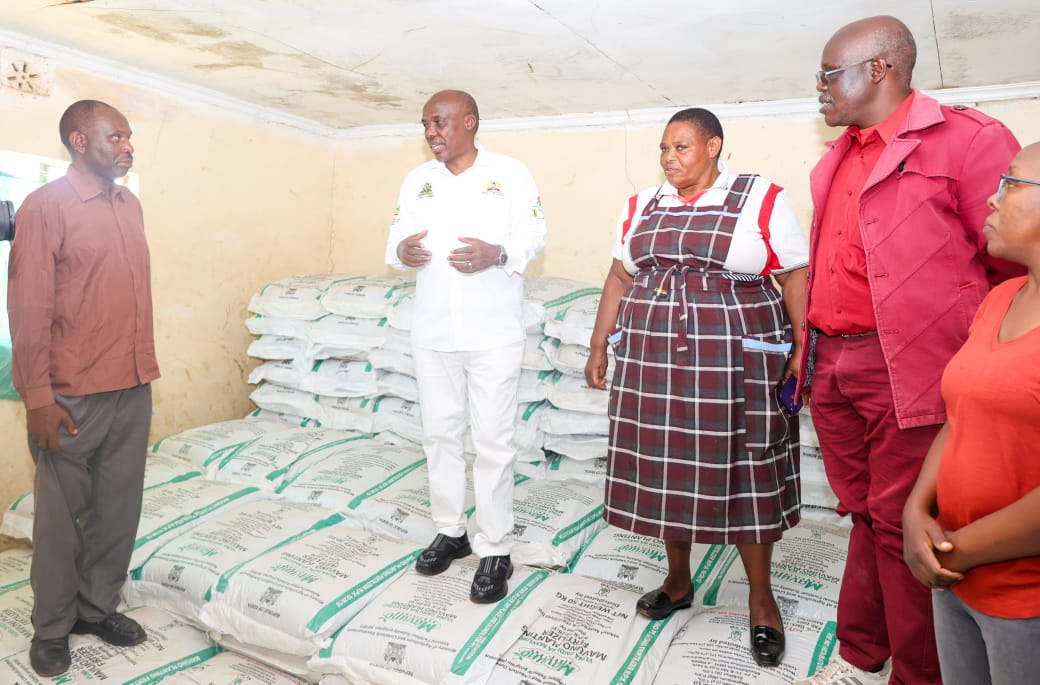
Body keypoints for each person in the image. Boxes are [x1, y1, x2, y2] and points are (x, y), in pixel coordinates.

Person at [794, 16, 1022, 685]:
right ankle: (863, 647)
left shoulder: (964, 139)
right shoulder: (838, 156)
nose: (820, 87)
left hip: (908, 367)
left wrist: (988, 363)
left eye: (831, 73)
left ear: (882, 70)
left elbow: (1012, 260)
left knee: (904, 523)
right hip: (833, 365)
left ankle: (918, 674)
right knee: (865, 512)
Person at [585, 107, 808, 668]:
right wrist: (598, 343)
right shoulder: (642, 205)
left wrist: (804, 347)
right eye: (663, 150)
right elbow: (619, 275)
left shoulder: (760, 197)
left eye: (681, 148)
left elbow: (795, 275)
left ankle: (761, 601)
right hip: (653, 358)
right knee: (668, 465)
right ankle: (678, 581)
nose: (668, 159)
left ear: (713, 146)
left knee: (745, 465)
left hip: (736, 359)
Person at [8, 100, 159, 677]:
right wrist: (38, 398)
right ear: (78, 140)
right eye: (115, 137)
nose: (126, 147)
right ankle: (51, 627)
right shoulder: (45, 207)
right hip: (71, 395)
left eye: (128, 138)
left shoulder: (130, 205)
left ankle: (97, 608)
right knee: (61, 518)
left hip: (132, 384)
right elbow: (28, 308)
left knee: (118, 510)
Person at [385, 89, 546, 604]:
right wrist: (402, 251)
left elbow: (534, 235)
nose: (432, 133)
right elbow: (395, 242)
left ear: (470, 123)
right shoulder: (418, 181)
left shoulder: (511, 174)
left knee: (494, 442)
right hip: (433, 333)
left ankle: (495, 548)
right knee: (440, 435)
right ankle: (451, 531)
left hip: (493, 333)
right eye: (426, 125)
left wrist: (499, 253)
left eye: (440, 123)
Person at [902, 142, 1040, 685]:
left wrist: (952, 548)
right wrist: (917, 511)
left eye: (1011, 185)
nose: (991, 198)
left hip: (1021, 596)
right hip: (955, 577)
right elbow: (960, 418)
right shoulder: (1001, 298)